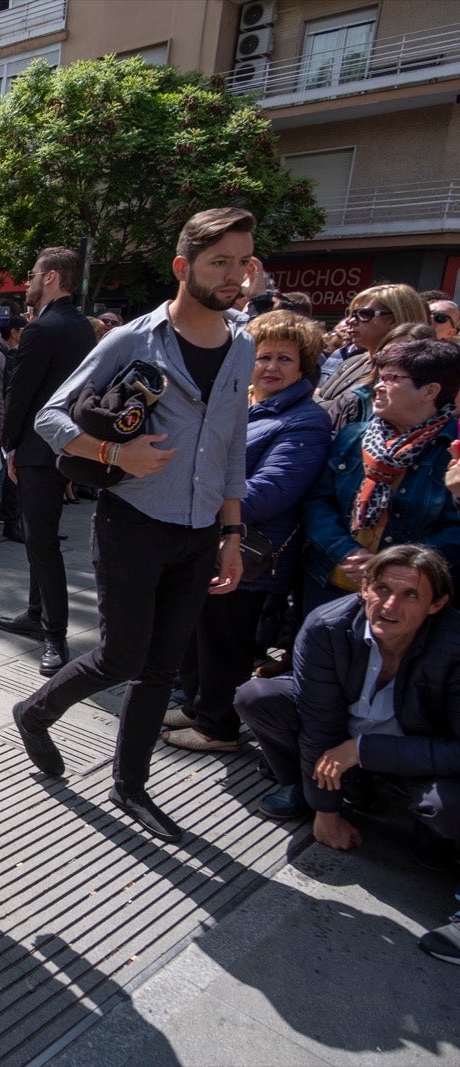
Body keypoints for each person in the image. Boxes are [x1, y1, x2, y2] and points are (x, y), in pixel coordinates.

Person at [11, 207, 257, 844]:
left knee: (162, 665)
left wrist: (232, 535)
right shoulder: (133, 339)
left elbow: (232, 447)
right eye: (219, 262)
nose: (234, 275)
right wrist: (117, 454)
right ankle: (34, 713)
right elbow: (51, 418)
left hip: (201, 530)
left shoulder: (244, 343)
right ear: (184, 268)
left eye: (242, 261)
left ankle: (131, 783)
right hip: (132, 523)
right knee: (121, 655)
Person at [232, 545, 460, 960]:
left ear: (437, 604)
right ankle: (307, 787)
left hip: (408, 750)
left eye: (410, 595)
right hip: (340, 737)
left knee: (447, 807)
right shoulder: (328, 626)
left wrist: (366, 749)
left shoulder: (454, 645)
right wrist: (326, 811)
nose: (390, 605)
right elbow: (319, 723)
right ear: (363, 590)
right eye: (382, 589)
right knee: (257, 696)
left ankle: (428, 831)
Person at [164, 310, 332, 753]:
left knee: (226, 642)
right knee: (199, 632)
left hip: (252, 550)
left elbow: (272, 490)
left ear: (305, 366)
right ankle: (199, 706)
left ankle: (218, 728)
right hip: (209, 538)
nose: (270, 367)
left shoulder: (306, 420)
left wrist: (201, 499)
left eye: (284, 359)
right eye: (262, 357)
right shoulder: (242, 400)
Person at [299, 338, 460, 613]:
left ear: (430, 391)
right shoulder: (354, 436)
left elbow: (455, 529)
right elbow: (318, 500)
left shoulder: (453, 449)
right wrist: (345, 550)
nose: (378, 386)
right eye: (380, 376)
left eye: (392, 378)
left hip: (409, 596)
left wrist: (393, 564)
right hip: (332, 581)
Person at [0, 248, 95, 675]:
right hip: (66, 448)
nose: (28, 282)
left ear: (52, 278)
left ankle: (54, 634)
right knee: (42, 539)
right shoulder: (84, 329)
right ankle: (37, 614)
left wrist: (9, 446)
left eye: (34, 275)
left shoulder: (42, 330)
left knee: (42, 543)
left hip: (38, 451)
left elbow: (21, 395)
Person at [316, 284, 428, 408]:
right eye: (350, 313)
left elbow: (348, 412)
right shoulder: (353, 361)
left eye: (364, 313)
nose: (350, 320)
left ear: (394, 319)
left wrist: (314, 401)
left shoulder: (403, 371)